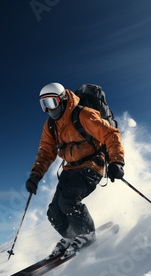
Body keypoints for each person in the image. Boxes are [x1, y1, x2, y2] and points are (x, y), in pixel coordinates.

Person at [25, 82, 125, 258]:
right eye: (44, 105)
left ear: (62, 100)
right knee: (54, 212)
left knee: (69, 199)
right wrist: (35, 175)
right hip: (70, 169)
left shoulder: (84, 114)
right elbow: (45, 152)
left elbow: (111, 134)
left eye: (52, 102)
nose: (49, 109)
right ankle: (71, 237)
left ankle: (86, 234)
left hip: (91, 165)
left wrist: (117, 161)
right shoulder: (50, 126)